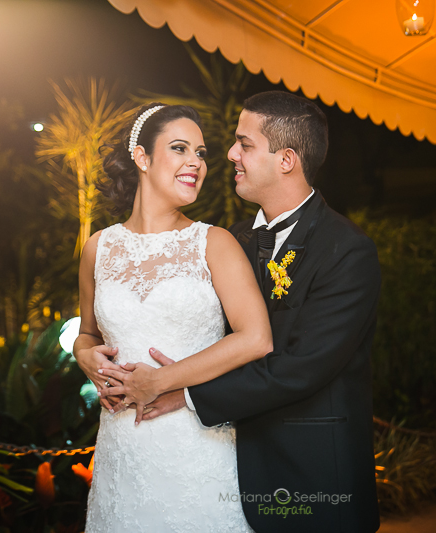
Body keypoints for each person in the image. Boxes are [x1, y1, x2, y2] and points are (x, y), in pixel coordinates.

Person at [102, 91, 381, 533]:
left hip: (313, 481)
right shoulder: (232, 242)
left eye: (244, 144)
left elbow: (301, 368)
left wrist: (185, 393)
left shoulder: (347, 251)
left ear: (286, 159)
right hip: (224, 469)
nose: (230, 154)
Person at [72, 103, 273, 533]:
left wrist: (161, 380)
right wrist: (83, 356)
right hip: (121, 448)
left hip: (195, 447)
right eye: (180, 148)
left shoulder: (214, 242)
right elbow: (87, 333)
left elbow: (256, 338)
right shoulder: (98, 248)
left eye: (200, 153)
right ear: (142, 157)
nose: (195, 163)